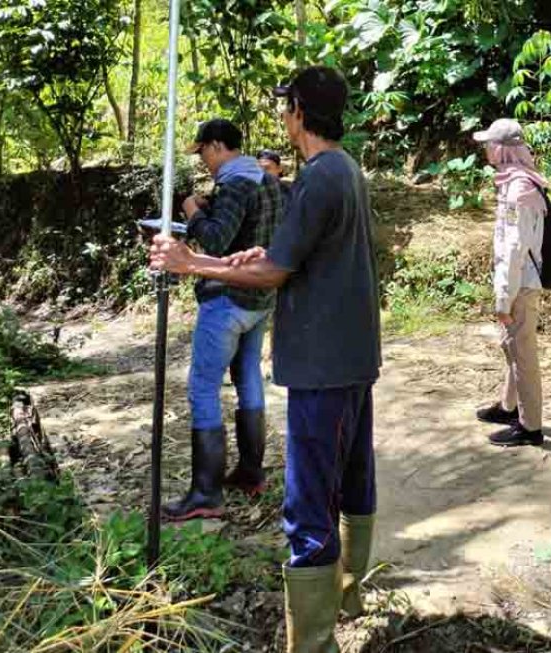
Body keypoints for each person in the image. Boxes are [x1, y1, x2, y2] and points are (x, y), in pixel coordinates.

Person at [150, 66, 380, 653]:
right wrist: (255, 255)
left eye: (285, 106)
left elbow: (277, 271)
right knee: (353, 480)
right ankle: (348, 594)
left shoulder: (318, 177)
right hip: (351, 355)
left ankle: (314, 642)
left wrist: (191, 263)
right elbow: (290, 254)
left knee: (309, 502)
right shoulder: (343, 170)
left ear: (300, 110)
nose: (281, 116)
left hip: (322, 363)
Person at [164, 118, 283, 521]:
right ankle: (251, 472)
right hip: (260, 297)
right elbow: (250, 230)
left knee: (202, 388)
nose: (205, 162)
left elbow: (215, 239)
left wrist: (194, 211)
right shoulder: (265, 178)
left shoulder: (235, 182)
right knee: (248, 376)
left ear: (217, 146)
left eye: (204, 153)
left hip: (228, 298)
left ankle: (206, 492)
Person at [473, 118, 546, 447]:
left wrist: (503, 299)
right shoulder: (516, 181)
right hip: (517, 282)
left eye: (490, 143)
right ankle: (509, 406)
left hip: (520, 285)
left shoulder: (519, 189)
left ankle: (531, 427)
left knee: (523, 354)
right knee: (512, 347)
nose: (487, 149)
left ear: (504, 149)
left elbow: (514, 249)